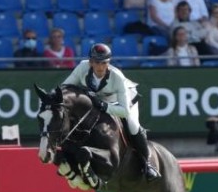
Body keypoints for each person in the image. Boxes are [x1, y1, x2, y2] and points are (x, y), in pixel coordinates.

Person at [61, 43, 161, 182]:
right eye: (97, 62)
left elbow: (124, 111)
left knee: (132, 126)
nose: (101, 67)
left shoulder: (117, 77)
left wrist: (103, 105)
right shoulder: (82, 67)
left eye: (104, 63)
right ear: (90, 62)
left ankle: (147, 164)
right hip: (99, 100)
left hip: (124, 101)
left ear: (109, 62)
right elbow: (65, 87)